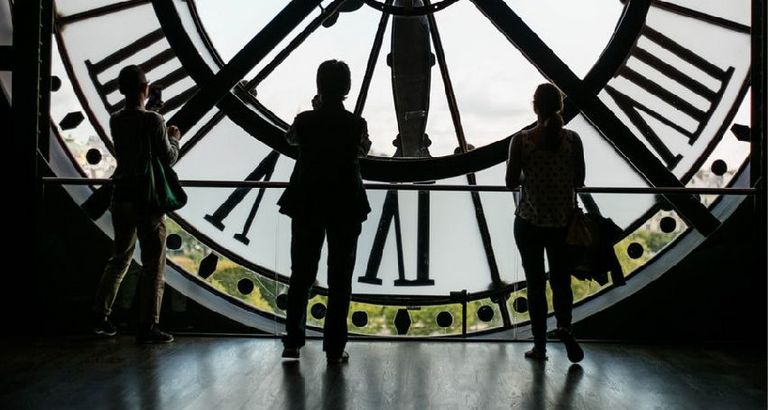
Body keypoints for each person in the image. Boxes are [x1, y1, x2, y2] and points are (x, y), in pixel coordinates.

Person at [278, 60, 371, 364]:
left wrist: (314, 110)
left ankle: (293, 342)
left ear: (319, 86)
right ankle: (334, 347)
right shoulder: (356, 124)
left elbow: (291, 139)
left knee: (301, 274)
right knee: (340, 279)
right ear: (347, 88)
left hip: (307, 201)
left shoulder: (305, 121)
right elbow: (362, 150)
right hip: (345, 203)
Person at [91, 65, 181, 344]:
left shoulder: (116, 119)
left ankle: (100, 316)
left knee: (120, 258)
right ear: (145, 88)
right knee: (154, 264)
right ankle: (148, 324)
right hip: (147, 200)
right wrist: (174, 138)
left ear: (121, 90)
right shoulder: (154, 121)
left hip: (121, 196)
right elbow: (167, 157)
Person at [506, 83, 585, 362]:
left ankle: (539, 346)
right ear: (560, 107)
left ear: (535, 106)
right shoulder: (573, 140)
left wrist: (527, 177)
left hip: (529, 222)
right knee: (561, 282)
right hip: (563, 223)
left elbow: (511, 182)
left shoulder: (522, 141)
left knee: (535, 285)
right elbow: (579, 181)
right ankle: (565, 327)